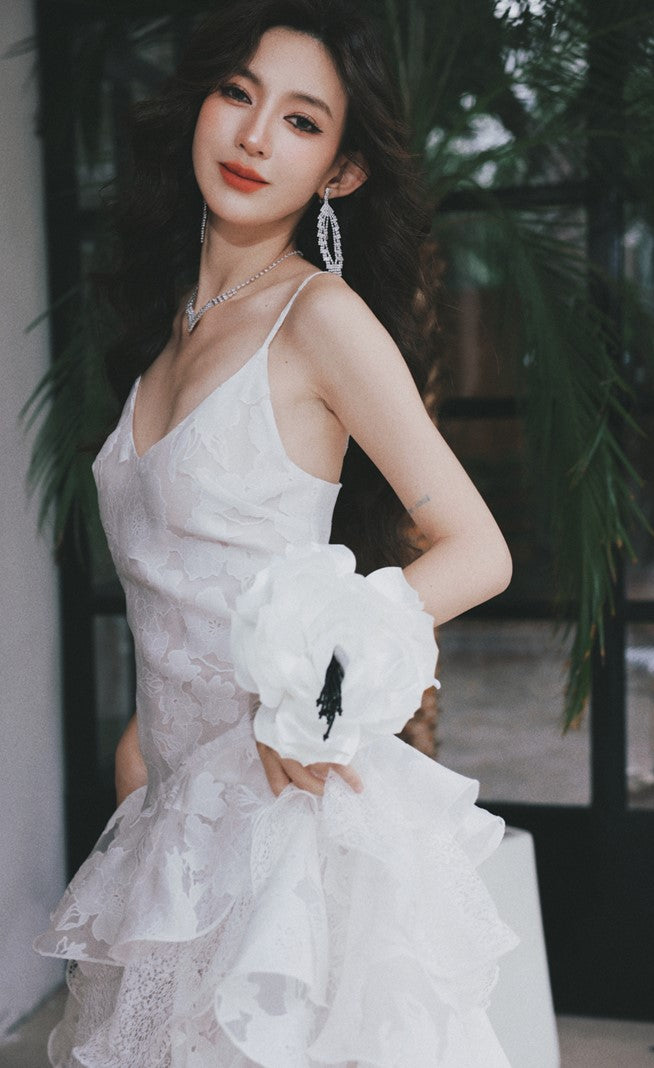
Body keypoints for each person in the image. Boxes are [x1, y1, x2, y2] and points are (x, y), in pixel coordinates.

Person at [34, 1, 519, 1064]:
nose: (255, 137)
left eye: (302, 121)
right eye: (237, 94)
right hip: (175, 817)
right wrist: (143, 747)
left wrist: (317, 693)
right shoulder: (170, 330)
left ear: (341, 171)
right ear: (199, 105)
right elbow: (191, 585)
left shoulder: (321, 318)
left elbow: (478, 549)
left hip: (289, 823)